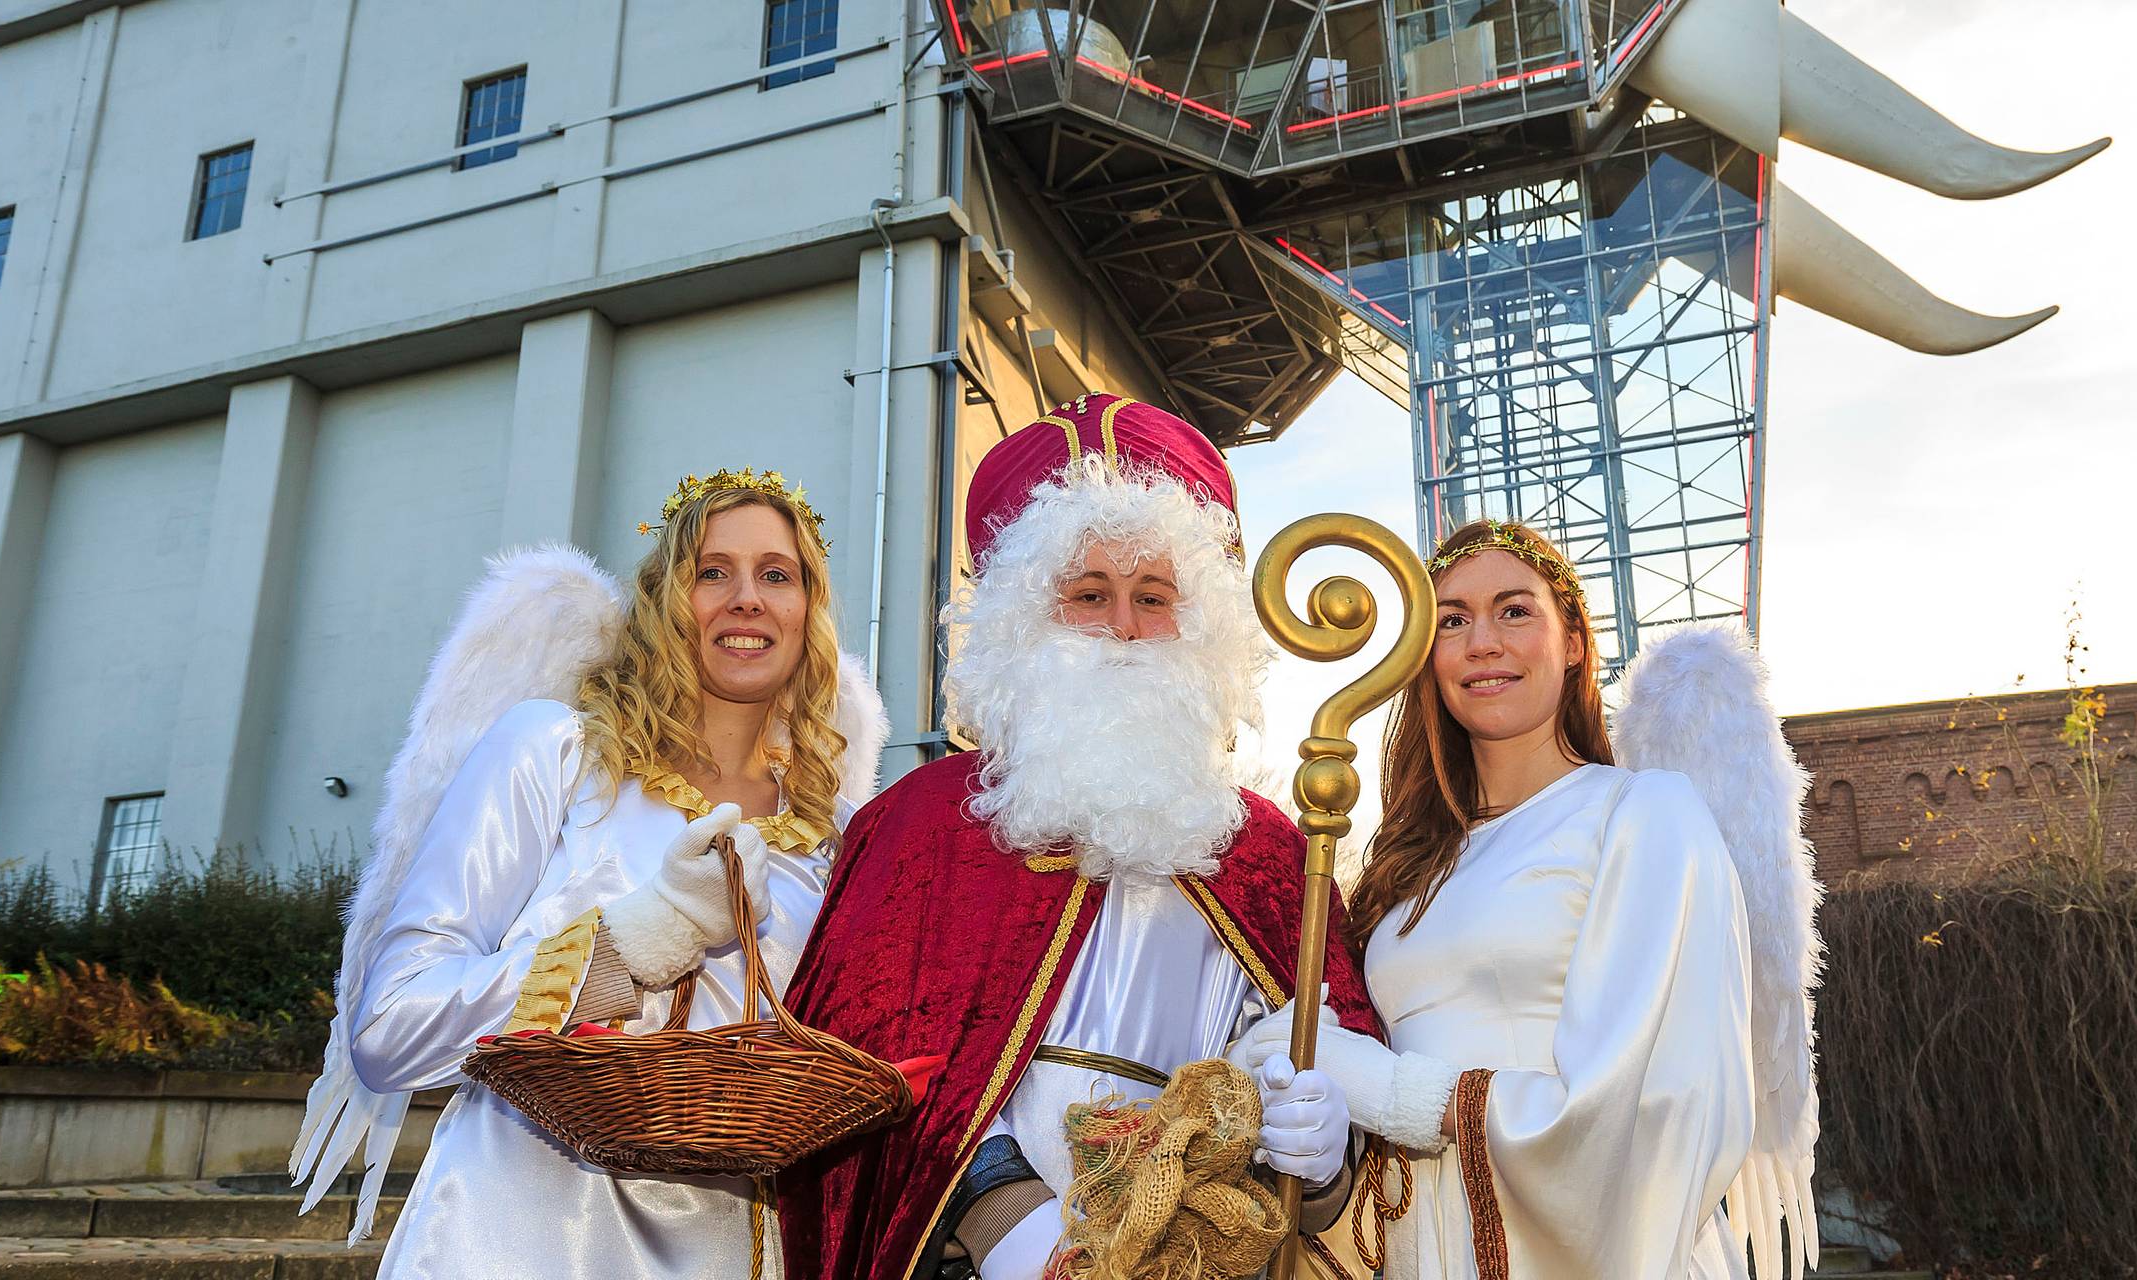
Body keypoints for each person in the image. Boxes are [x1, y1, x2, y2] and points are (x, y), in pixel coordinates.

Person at [777, 394, 1385, 1280]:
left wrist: (1325, 1151)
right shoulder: (920, 825)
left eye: (1154, 596)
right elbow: (854, 1075)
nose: (1128, 629)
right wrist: (1009, 1226)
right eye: (1088, 597)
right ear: (1025, 622)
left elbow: (1327, 1081)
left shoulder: (1270, 853)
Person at [287, 469, 888, 1278]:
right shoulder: (557, 755)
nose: (746, 598)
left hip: (746, 1248)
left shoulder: (838, 836)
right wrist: (643, 937)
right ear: (663, 599)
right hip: (521, 1239)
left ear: (807, 610)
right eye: (712, 571)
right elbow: (389, 1031)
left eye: (776, 575)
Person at [1229, 519, 1823, 1280]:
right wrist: (1314, 1125)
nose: (1483, 642)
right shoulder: (1406, 867)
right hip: (1420, 1252)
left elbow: (1653, 1106)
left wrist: (1380, 1088)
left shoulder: (1644, 813)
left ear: (1572, 640)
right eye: (1450, 620)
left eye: (1514, 610)